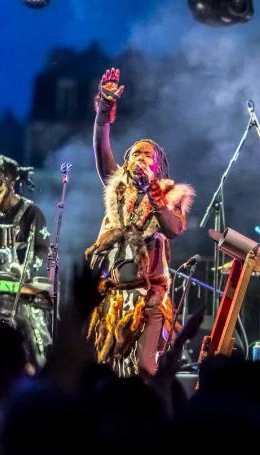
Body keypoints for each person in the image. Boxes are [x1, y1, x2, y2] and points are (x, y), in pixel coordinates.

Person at [85, 67, 194, 378]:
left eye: (148, 156)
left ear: (158, 167)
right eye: (135, 154)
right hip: (113, 297)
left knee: (144, 368)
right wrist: (105, 106)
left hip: (149, 299)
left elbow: (173, 229)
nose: (140, 158)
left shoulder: (167, 195)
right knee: (105, 370)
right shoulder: (116, 189)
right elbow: (100, 146)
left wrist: (153, 193)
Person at [0, 155, 52, 369]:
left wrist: (26, 268)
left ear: (11, 182)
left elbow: (42, 248)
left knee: (33, 331)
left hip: (18, 289)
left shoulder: (31, 213)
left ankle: (40, 370)